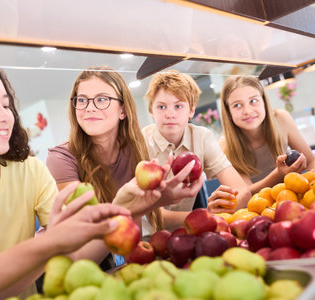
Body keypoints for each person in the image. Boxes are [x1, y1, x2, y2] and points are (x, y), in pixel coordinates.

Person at [0, 60, 134, 299]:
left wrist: (126, 206)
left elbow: (74, 255)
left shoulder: (31, 171)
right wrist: (50, 243)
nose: (5, 117)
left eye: (6, 105)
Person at [46, 66, 203, 264]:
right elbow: (84, 232)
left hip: (111, 254)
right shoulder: (61, 158)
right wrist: (133, 206)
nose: (89, 107)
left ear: (123, 110)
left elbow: (131, 230)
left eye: (102, 99)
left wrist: (153, 203)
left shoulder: (133, 150)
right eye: (82, 100)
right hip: (69, 260)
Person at [142, 70, 252, 227]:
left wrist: (221, 207)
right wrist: (205, 215)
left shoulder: (201, 137)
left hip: (190, 231)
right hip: (146, 238)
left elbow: (242, 192)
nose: (170, 114)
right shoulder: (140, 142)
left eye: (178, 106)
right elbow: (150, 214)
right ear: (151, 111)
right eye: (161, 107)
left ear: (191, 110)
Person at [216, 75, 315, 196]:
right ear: (228, 112)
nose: (248, 111)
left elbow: (312, 161)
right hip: (258, 207)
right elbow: (244, 192)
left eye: (253, 101)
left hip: (290, 197)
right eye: (237, 105)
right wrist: (278, 175)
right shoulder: (224, 145)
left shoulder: (281, 119)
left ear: (264, 102)